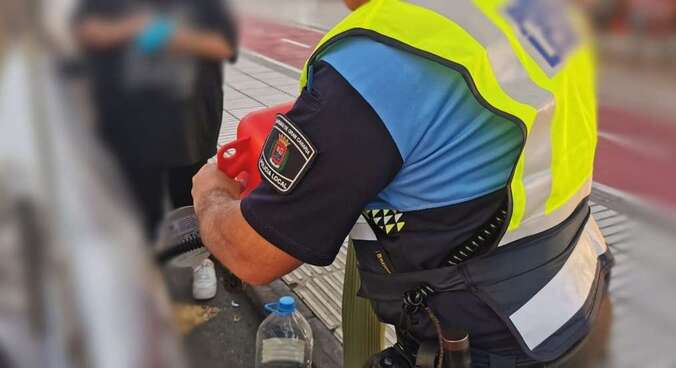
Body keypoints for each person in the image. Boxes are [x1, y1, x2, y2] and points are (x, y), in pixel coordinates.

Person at [192, 0, 613, 366]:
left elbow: (253, 255)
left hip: (486, 343)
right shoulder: (538, 12)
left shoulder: (385, 52)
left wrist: (211, 192)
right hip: (575, 300)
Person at [74, 0, 237, 238]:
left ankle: (194, 260)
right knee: (136, 202)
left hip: (187, 123)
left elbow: (224, 46)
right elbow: (86, 32)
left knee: (187, 203)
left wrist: (175, 37)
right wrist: (132, 29)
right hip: (131, 122)